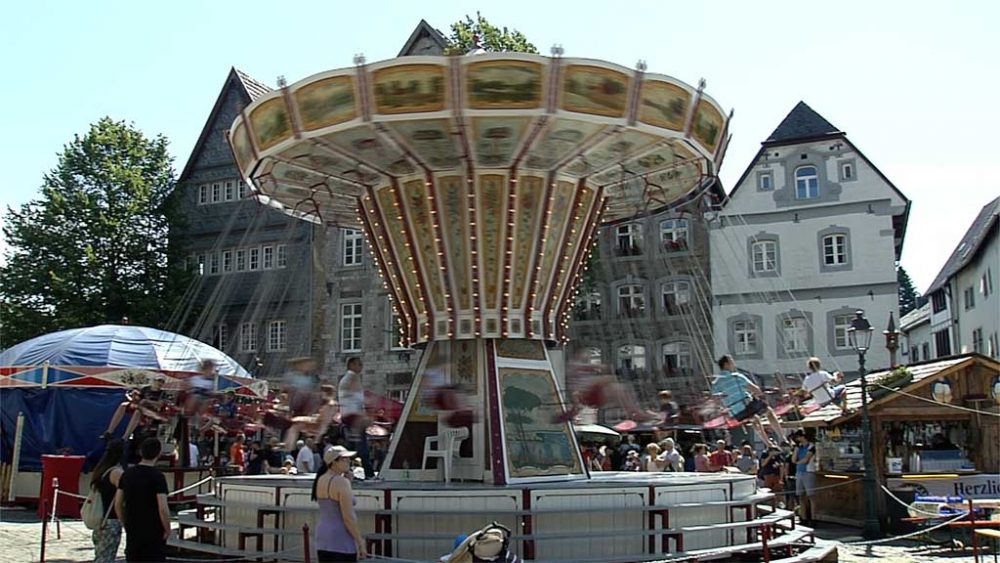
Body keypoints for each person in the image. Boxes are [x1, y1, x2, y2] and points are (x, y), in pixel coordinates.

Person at [710, 355, 786, 447]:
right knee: (769, 412)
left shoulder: (716, 382)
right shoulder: (737, 376)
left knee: (754, 420)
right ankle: (782, 438)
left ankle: (769, 444)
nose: (734, 365)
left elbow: (715, 399)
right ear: (726, 364)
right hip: (747, 405)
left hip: (735, 412)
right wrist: (761, 396)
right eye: (731, 362)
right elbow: (755, 389)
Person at [115, 437, 171, 562]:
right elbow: (162, 507)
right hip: (153, 528)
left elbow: (118, 503)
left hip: (133, 526)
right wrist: (167, 528)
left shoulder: (127, 474)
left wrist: (125, 522)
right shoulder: (157, 476)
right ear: (158, 453)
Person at [312, 445, 367, 561]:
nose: (349, 461)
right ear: (334, 462)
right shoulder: (341, 482)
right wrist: (360, 541)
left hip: (322, 538)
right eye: (344, 459)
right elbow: (348, 517)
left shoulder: (321, 479)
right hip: (341, 539)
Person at [90, 439, 126, 563]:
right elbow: (119, 501)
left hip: (100, 519)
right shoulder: (116, 473)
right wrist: (124, 521)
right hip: (111, 520)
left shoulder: (101, 470)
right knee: (106, 558)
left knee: (100, 555)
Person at [339, 357, 373, 478]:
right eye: (359, 364)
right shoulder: (353, 377)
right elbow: (357, 400)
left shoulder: (347, 378)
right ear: (352, 365)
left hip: (348, 416)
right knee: (361, 446)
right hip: (353, 417)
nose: (361, 367)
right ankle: (369, 474)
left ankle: (343, 471)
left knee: (351, 446)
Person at [791, 430, 818, 526]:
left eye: (798, 437)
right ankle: (803, 518)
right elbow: (793, 460)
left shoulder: (811, 447)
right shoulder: (799, 448)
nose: (797, 439)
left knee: (811, 496)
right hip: (799, 472)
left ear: (803, 437)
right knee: (801, 495)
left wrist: (798, 462)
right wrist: (796, 450)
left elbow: (806, 460)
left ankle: (813, 518)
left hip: (808, 472)